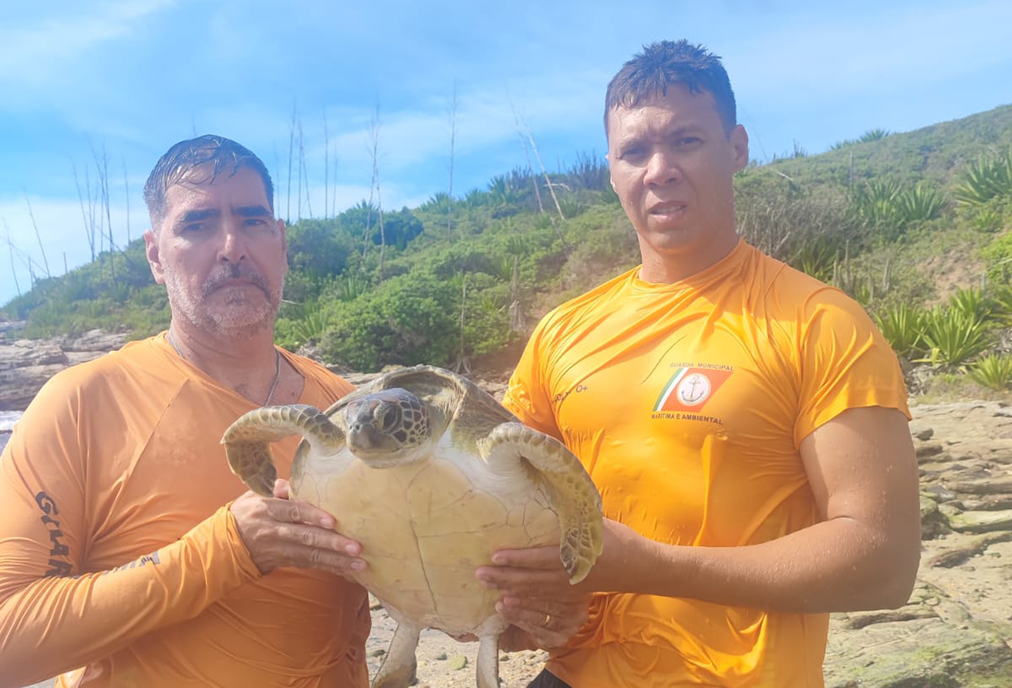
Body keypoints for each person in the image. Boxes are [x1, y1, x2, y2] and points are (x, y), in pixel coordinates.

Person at [477, 40, 922, 688]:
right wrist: (500, 603)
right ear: (610, 169)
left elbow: (883, 560)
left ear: (736, 147)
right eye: (635, 151)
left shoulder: (820, 323)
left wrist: (650, 566)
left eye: (685, 141)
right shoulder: (560, 333)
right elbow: (502, 502)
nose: (659, 170)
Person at [0, 136, 374, 687]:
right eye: (197, 225)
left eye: (253, 221)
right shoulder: (82, 405)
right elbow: (10, 641)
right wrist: (225, 550)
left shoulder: (351, 410)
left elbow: (423, 580)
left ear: (281, 242)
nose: (231, 246)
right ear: (156, 255)